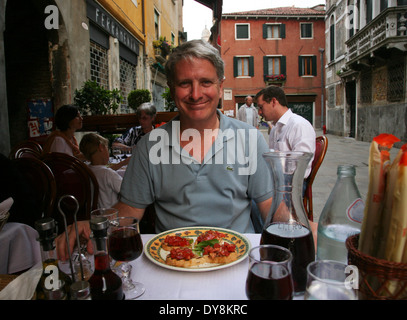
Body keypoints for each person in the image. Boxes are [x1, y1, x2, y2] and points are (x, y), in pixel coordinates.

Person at [57, 39, 273, 260]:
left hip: (238, 263)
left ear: (220, 85)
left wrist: (303, 227)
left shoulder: (250, 139)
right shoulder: (149, 146)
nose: (196, 94)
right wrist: (94, 225)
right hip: (173, 264)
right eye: (184, 83)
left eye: (206, 82)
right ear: (171, 88)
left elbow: (271, 208)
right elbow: (130, 210)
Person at [255, 86, 316, 179]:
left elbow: (301, 167)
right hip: (276, 177)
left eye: (261, 107)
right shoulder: (275, 129)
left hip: (290, 183)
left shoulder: (299, 125)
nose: (259, 112)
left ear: (274, 102)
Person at [79, 133, 127, 209]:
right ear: (101, 147)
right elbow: (129, 192)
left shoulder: (86, 170)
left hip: (93, 216)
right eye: (107, 148)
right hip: (111, 217)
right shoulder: (108, 174)